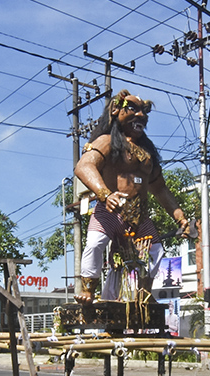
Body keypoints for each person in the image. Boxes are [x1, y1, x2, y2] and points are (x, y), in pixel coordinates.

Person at [73, 90, 192, 303]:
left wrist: (181, 218)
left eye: (144, 111)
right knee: (94, 244)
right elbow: (84, 166)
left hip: (139, 216)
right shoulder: (106, 141)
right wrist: (104, 194)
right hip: (109, 211)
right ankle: (88, 290)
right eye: (133, 109)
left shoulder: (148, 154)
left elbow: (160, 189)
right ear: (116, 112)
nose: (140, 115)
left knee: (157, 253)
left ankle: (144, 293)